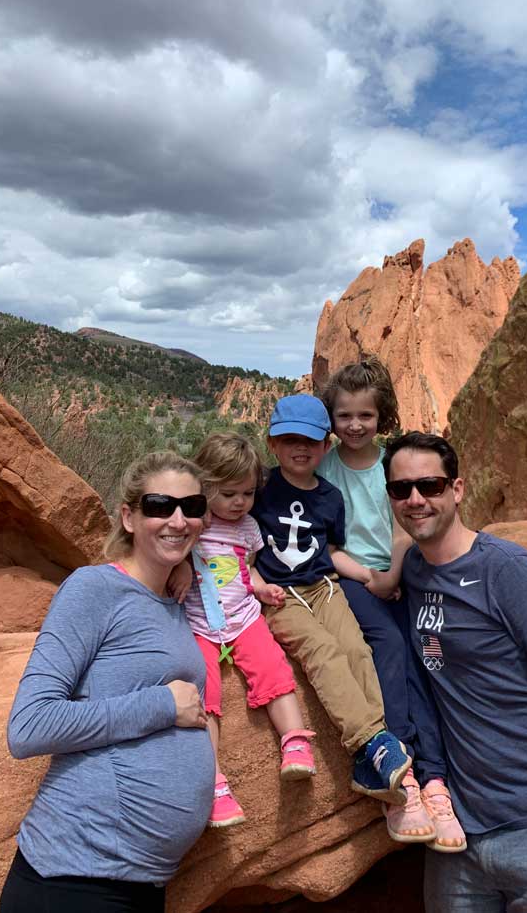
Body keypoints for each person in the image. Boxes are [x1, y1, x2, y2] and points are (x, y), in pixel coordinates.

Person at [383, 431, 527, 913]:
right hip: (458, 840)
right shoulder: (415, 571)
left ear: (458, 489)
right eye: (401, 489)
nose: (416, 499)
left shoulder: (511, 572)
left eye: (430, 485)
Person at [0, 451, 214, 913]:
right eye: (160, 506)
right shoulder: (94, 588)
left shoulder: (175, 599)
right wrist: (162, 704)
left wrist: (186, 570)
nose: (178, 519)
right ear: (129, 517)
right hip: (73, 878)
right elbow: (29, 727)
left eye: (193, 508)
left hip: (140, 884)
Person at [319, 359, 465, 851]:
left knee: (428, 654)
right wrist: (370, 578)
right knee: (388, 644)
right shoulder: (325, 468)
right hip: (350, 576)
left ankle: (436, 779)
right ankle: (398, 766)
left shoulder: (391, 465)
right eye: (344, 416)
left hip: (400, 571)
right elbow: (322, 543)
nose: (355, 425)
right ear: (332, 418)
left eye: (365, 415)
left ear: (382, 416)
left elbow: (405, 528)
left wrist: (394, 576)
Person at [251, 392, 411, 805]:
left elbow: (331, 550)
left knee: (357, 649)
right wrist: (252, 583)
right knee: (322, 650)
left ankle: (369, 757)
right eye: (288, 440)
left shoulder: (329, 497)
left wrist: (371, 575)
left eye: (309, 441)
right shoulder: (260, 491)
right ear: (272, 444)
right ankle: (371, 741)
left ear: (326, 445)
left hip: (324, 588)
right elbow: (237, 541)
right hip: (279, 595)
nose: (299, 449)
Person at [170, 431, 315, 829]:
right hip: (199, 625)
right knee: (205, 692)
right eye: (230, 493)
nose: (239, 503)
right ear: (205, 487)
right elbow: (169, 557)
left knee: (273, 669)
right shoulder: (191, 527)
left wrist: (260, 586)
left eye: (248, 494)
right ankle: (212, 778)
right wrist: (181, 564)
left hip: (244, 618)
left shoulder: (248, 528)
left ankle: (296, 741)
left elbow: (244, 568)